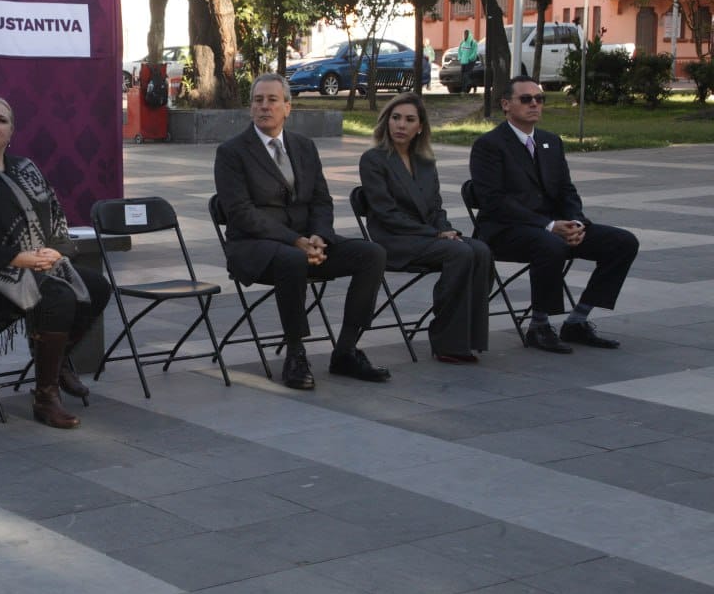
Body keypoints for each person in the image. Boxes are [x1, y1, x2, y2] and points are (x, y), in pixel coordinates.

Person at [0, 97, 110, 429]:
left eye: (2, 119)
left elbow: (56, 216)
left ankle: (56, 365)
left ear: (11, 131)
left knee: (97, 287)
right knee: (57, 296)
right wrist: (17, 258)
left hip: (40, 268)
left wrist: (56, 250)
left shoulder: (27, 168)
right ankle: (46, 396)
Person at [214, 73, 391, 390]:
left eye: (272, 100)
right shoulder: (232, 152)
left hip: (306, 244)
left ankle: (346, 350)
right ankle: (295, 354)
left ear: (287, 107)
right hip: (257, 247)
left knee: (372, 254)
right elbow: (241, 214)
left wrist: (319, 237)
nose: (264, 107)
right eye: (258, 100)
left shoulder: (304, 147)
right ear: (250, 107)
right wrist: (295, 241)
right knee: (291, 260)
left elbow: (321, 200)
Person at [469, 76, 639, 353]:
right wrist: (549, 225)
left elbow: (566, 191)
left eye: (540, 99)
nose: (534, 104)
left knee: (623, 242)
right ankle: (539, 325)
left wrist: (576, 222)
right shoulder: (489, 145)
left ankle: (577, 320)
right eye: (526, 99)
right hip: (505, 230)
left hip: (554, 228)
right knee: (551, 244)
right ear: (506, 105)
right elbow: (494, 201)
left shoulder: (551, 142)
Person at [359, 93, 493, 363]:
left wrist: (447, 229)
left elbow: (436, 208)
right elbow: (386, 213)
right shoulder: (373, 160)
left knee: (480, 250)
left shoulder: (425, 161)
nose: (401, 125)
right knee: (460, 254)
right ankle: (446, 340)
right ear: (386, 122)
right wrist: (435, 234)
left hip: (427, 238)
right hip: (394, 240)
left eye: (409, 120)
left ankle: (467, 336)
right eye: (395, 118)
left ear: (420, 127)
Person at [457, 30, 479, 94]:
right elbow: (459, 51)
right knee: (463, 75)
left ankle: (467, 88)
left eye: (466, 34)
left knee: (467, 75)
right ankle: (465, 89)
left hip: (470, 62)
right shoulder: (462, 43)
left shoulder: (473, 42)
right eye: (464, 34)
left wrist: (470, 58)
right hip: (463, 61)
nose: (465, 35)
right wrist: (460, 58)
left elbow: (474, 52)